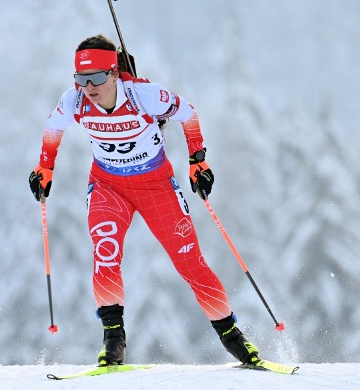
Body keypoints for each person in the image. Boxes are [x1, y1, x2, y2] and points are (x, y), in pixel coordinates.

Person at [28, 34, 261, 367]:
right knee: (105, 252)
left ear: (113, 72)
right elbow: (53, 129)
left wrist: (198, 160)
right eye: (81, 79)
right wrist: (44, 168)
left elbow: (188, 113)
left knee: (190, 263)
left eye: (95, 78)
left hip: (156, 186)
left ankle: (233, 338)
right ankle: (113, 341)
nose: (89, 88)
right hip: (108, 186)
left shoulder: (143, 95)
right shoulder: (74, 102)